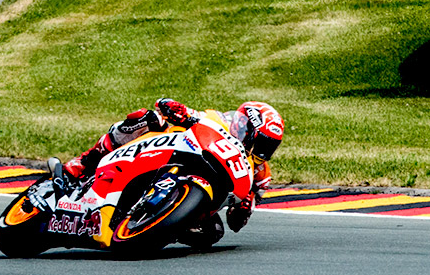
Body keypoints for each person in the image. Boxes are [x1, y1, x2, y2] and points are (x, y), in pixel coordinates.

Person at [53, 98, 284, 233]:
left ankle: (156, 222)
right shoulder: (216, 120)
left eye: (269, 146)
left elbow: (235, 223)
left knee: (213, 233)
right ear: (245, 127)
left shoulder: (260, 173)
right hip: (171, 154)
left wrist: (244, 208)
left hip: (200, 203)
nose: (263, 151)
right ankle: (83, 163)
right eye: (261, 142)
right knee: (147, 118)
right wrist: (177, 110)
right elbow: (169, 107)